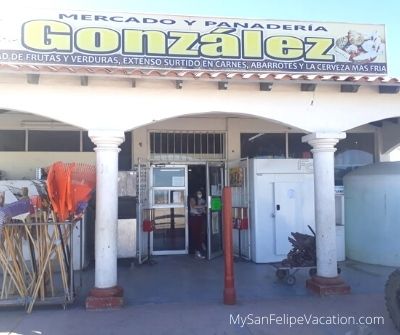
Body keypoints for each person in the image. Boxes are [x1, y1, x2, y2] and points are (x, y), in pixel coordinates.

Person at [189, 190, 206, 259]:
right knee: (195, 235)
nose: (199, 194)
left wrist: (204, 208)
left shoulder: (202, 200)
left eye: (200, 193)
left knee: (200, 234)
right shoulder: (192, 199)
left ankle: (199, 249)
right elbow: (193, 206)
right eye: (198, 193)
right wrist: (203, 206)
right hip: (194, 218)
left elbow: (204, 210)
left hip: (200, 217)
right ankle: (196, 252)